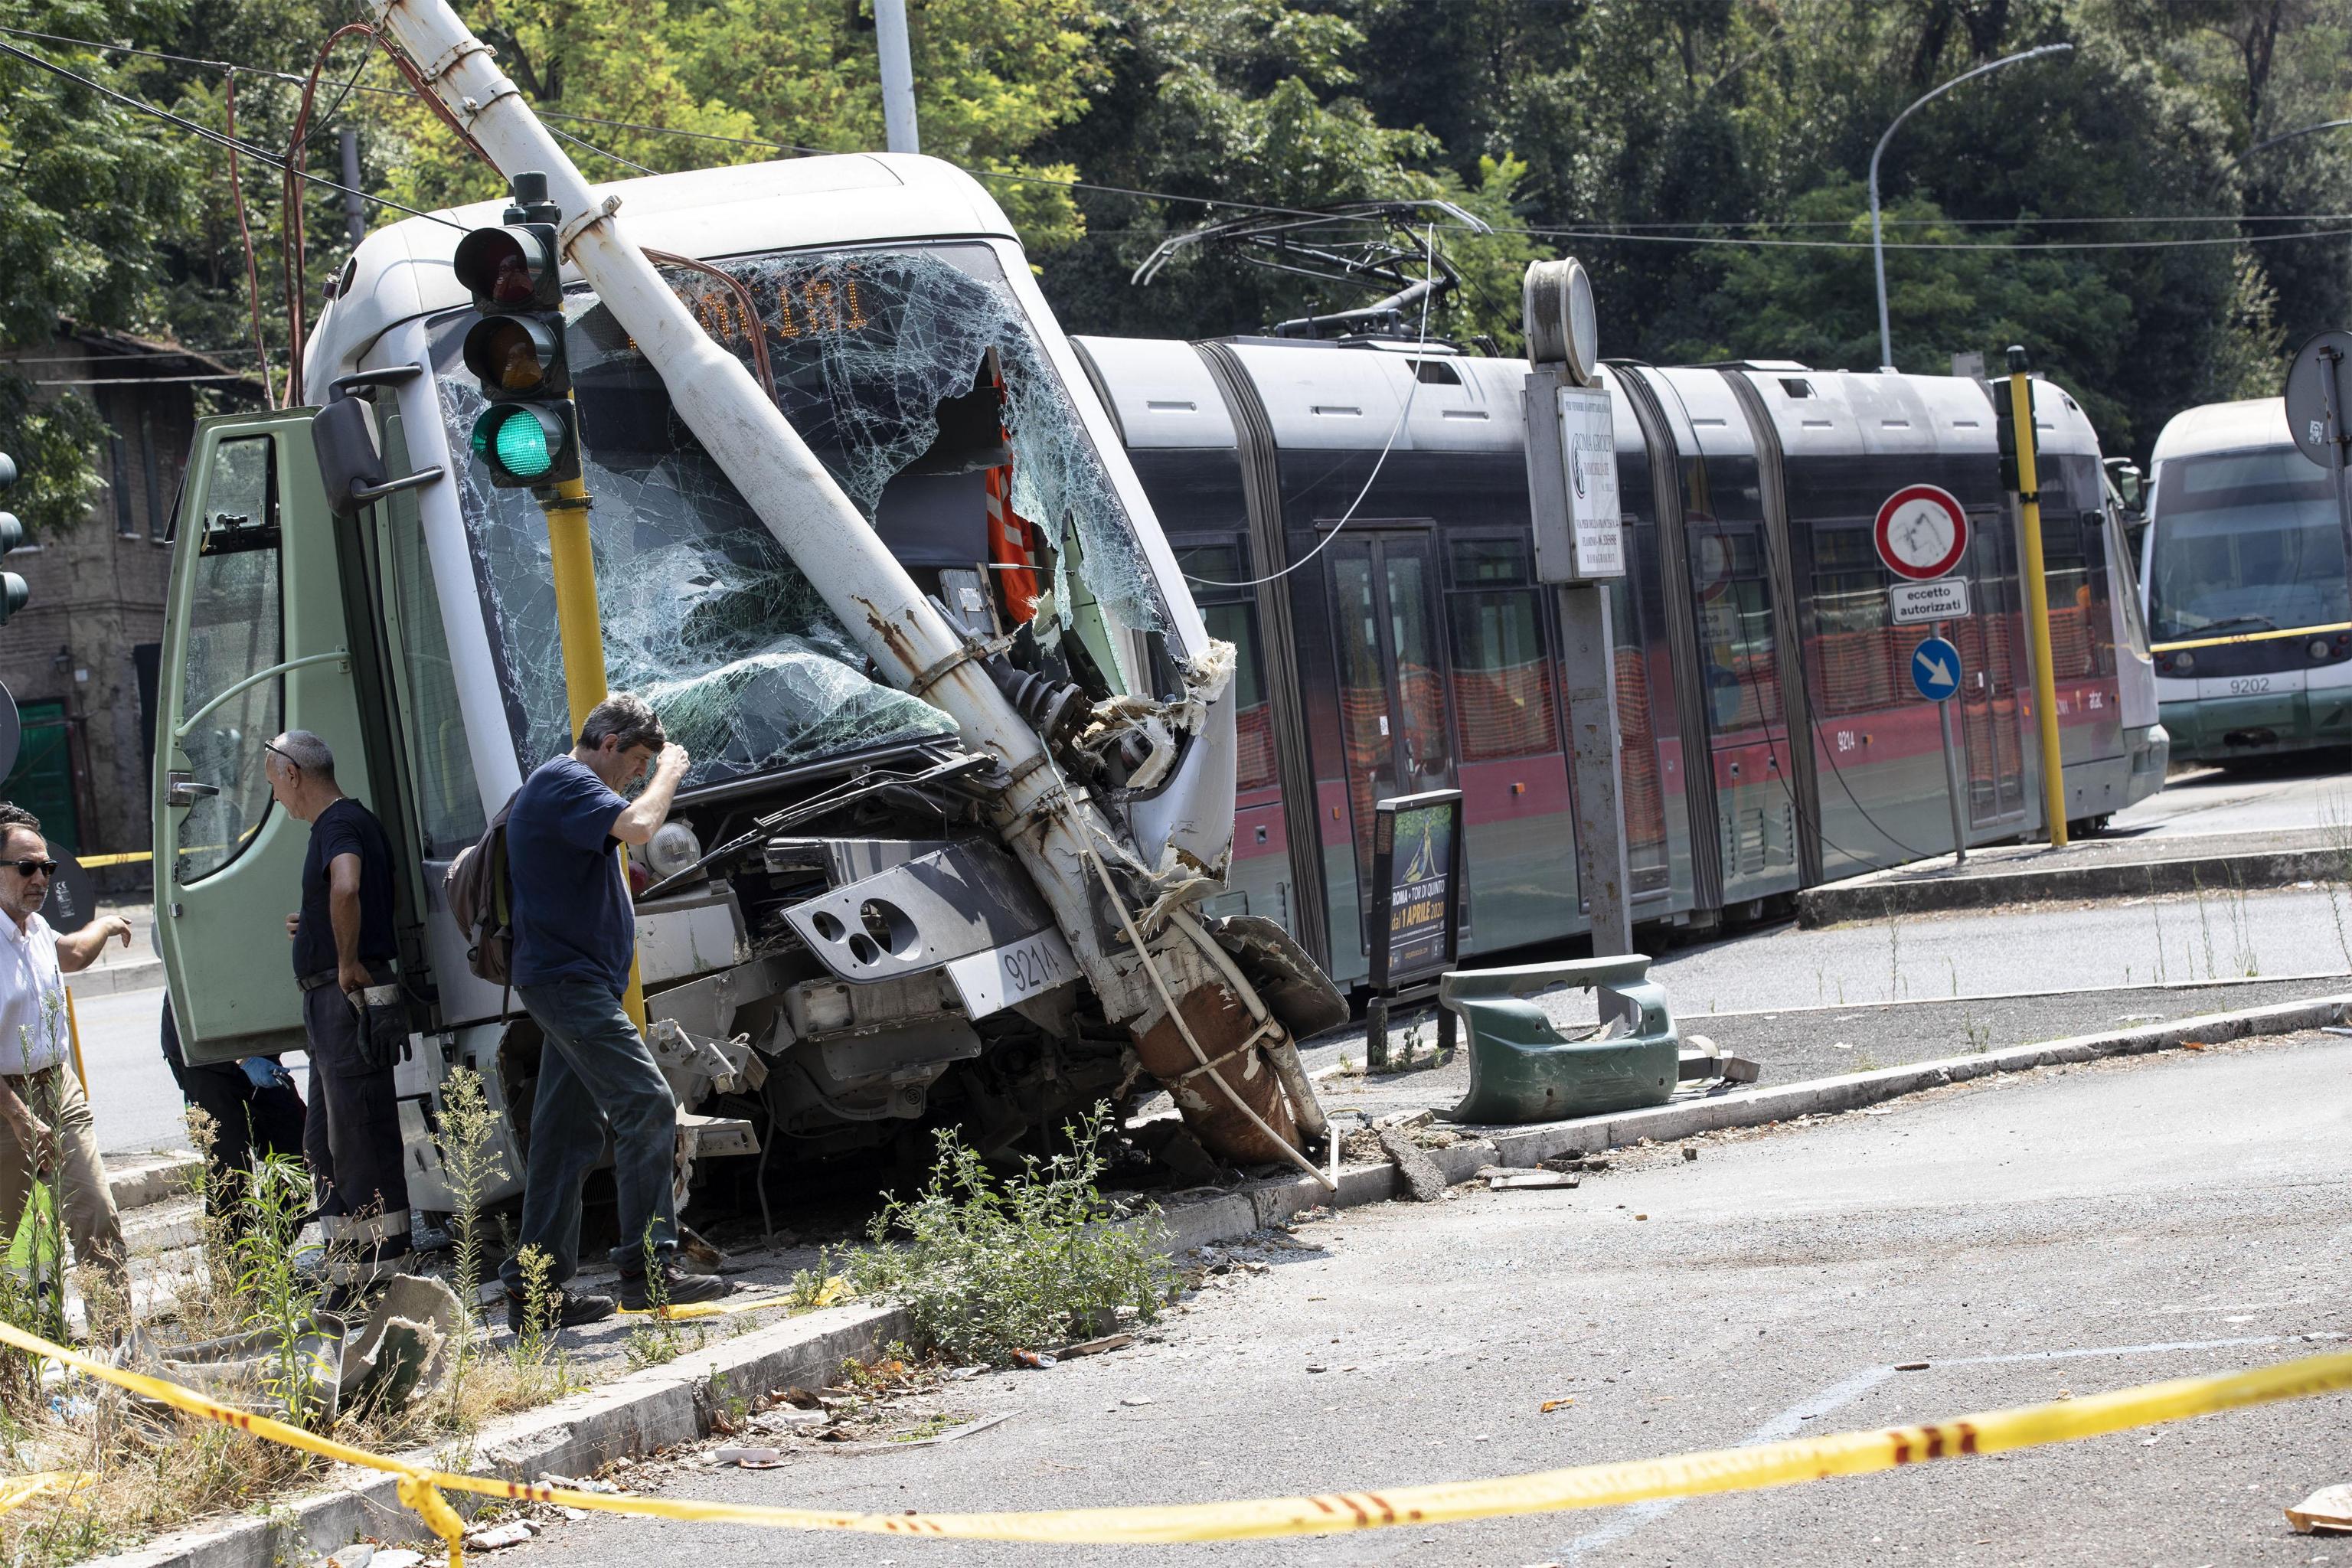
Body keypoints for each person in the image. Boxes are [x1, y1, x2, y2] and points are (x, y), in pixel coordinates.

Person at [498, 692, 727, 1329]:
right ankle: (648, 1269)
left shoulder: (573, 790)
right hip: (568, 985)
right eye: (636, 761)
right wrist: (670, 773)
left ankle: (534, 1289)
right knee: (646, 1103)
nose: (637, 774)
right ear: (607, 744)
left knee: (565, 1138)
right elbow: (640, 827)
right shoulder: (565, 781)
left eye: (647, 765)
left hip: (576, 984)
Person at [265, 730, 411, 1291]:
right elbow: (373, 896)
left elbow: (348, 887)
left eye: (275, 785)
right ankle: (349, 1270)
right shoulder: (349, 823)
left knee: (358, 1136)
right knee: (325, 1138)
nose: (277, 798)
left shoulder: (339, 824)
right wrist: (322, 928)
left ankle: (384, 1275)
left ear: (294, 774)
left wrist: (347, 960)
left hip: (343, 998)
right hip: (330, 1002)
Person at [0, 802, 133, 1312]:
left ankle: (123, 1357)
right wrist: (18, 1116)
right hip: (5, 1101)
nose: (42, 878)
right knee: (3, 1240)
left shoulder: (34, 930)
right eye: (27, 867)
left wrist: (108, 924)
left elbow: (72, 952)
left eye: (47, 868)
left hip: (57, 1088)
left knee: (97, 1217)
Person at [158, 993, 307, 1229]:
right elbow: (199, 991)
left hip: (258, 1045)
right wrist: (243, 1058)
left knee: (298, 1155)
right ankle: (237, 1263)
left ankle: (275, 1250)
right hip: (203, 1057)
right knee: (229, 1173)